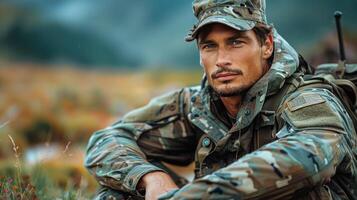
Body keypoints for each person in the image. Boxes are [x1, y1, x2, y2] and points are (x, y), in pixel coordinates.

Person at [85, 0, 357, 199]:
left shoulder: (309, 100)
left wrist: (190, 196)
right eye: (209, 46)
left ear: (267, 45)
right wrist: (149, 177)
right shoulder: (199, 105)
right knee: (117, 193)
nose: (222, 60)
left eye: (236, 42)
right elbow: (106, 140)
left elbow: (307, 158)